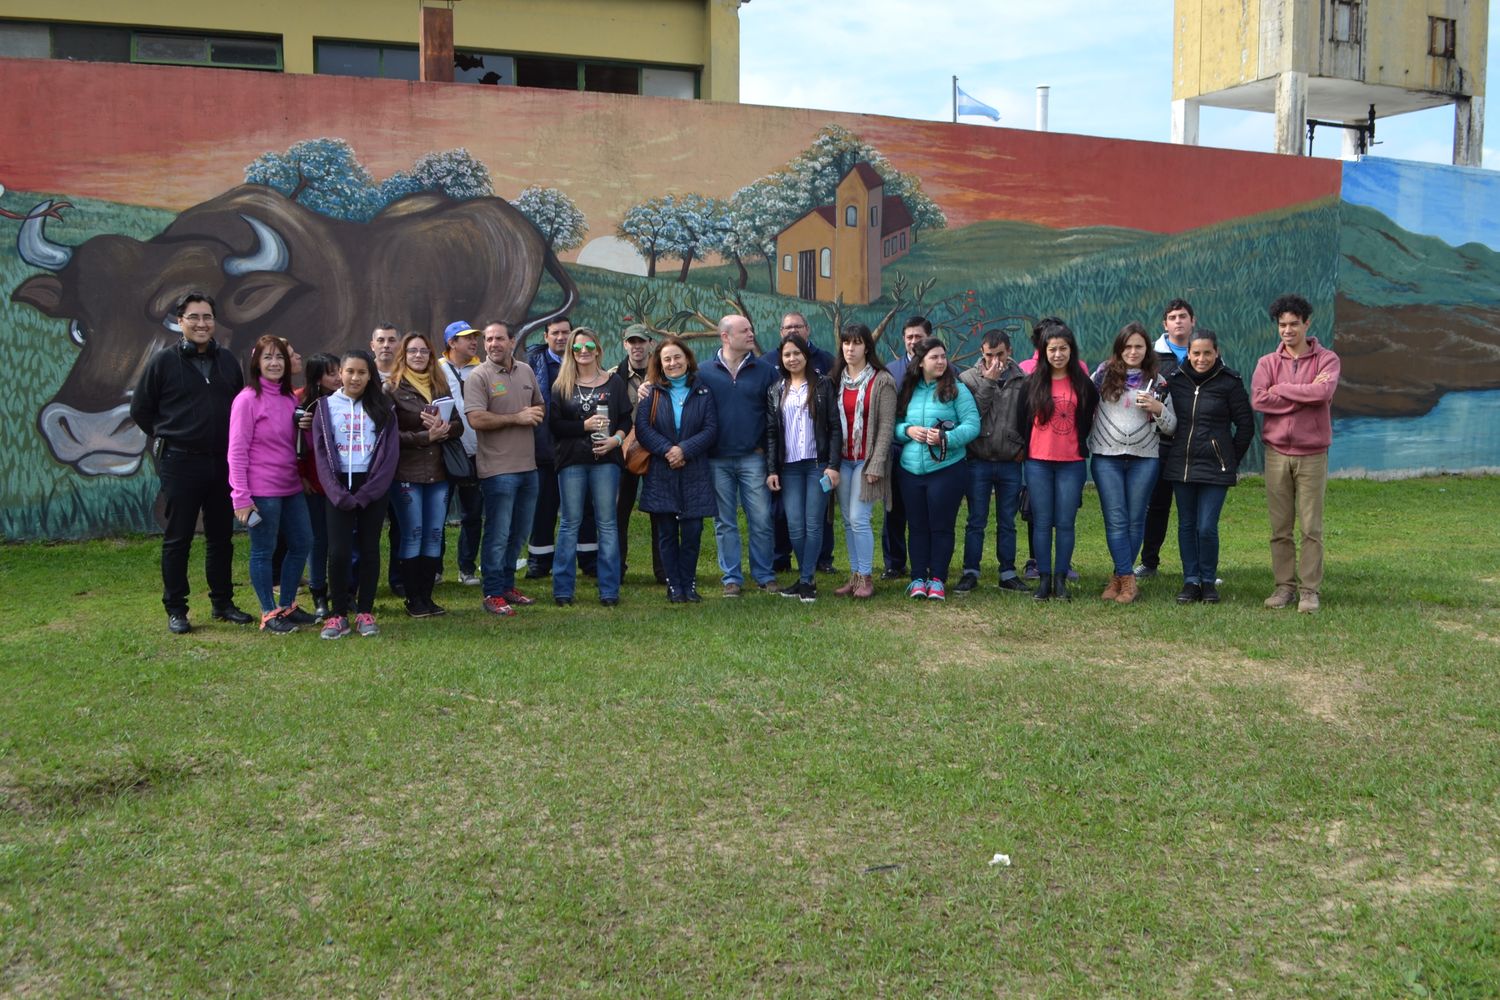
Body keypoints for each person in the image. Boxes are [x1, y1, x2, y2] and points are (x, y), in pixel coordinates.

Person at [128, 291, 252, 634]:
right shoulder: (163, 362)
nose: (201, 323)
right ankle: (177, 609)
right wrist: (170, 433)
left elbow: (239, 409)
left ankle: (222, 603)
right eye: (194, 317)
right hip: (180, 463)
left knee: (221, 537)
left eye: (207, 317)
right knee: (178, 538)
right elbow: (141, 409)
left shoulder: (227, 361)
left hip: (220, 463)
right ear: (180, 322)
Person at [1252, 294, 1340, 614]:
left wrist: (1283, 390)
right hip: (1276, 452)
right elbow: (1260, 401)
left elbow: (1324, 392)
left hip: (1313, 454)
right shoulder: (1267, 363)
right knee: (1280, 528)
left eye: (1293, 324)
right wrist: (1304, 395)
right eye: (1282, 325)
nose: (1287, 330)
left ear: (1307, 323)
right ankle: (1284, 587)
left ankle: (1309, 591)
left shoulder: (1327, 360)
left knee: (1311, 527)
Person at [228, 335, 314, 633]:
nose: (275, 363)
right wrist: (241, 497)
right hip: (261, 490)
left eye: (280, 357)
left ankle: (288, 604)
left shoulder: (289, 397)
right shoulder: (247, 400)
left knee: (302, 542)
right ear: (257, 363)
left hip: (290, 485)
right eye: (268, 358)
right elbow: (237, 451)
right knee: (263, 550)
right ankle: (268, 611)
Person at [311, 350, 398, 639]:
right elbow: (321, 453)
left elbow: (389, 456)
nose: (355, 377)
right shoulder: (324, 407)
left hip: (371, 486)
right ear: (340, 374)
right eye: (349, 371)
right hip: (338, 488)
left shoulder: (384, 407)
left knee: (369, 548)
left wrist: (368, 492)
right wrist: (336, 493)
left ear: (370, 375)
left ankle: (365, 611)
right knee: (338, 552)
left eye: (361, 372)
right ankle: (338, 615)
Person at [1162, 330, 1254, 604]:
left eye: (1207, 353)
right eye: (1196, 353)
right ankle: (1190, 581)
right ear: (1188, 354)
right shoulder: (1174, 381)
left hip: (1216, 468)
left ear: (1217, 353)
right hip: (1182, 465)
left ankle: (1208, 581)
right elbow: (1164, 418)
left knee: (1206, 526)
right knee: (1187, 525)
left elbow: (1246, 425)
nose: (1201, 359)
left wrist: (1229, 458)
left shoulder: (1230, 381)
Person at [1089, 322, 1176, 604]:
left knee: (1135, 520)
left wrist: (1158, 409)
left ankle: (1120, 578)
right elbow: (1083, 406)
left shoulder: (1159, 382)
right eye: (1127, 346)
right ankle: (1128, 579)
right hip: (1107, 457)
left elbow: (1171, 426)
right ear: (1119, 349)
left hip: (1145, 459)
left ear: (1147, 349)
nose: (1133, 351)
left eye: (1139, 346)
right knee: (1116, 519)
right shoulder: (1102, 375)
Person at [463, 321, 544, 617]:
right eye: (488, 339)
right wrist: (517, 418)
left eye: (499, 338)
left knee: (519, 532)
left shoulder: (526, 371)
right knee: (497, 533)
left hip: (528, 467)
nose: (493, 344)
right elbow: (476, 419)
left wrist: (534, 413)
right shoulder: (478, 376)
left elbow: (539, 405)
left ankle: (508, 585)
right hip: (498, 470)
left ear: (512, 341)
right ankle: (493, 592)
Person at [698, 313, 780, 597]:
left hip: (752, 458)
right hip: (716, 459)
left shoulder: (766, 370)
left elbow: (775, 414)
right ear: (725, 336)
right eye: (744, 330)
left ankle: (764, 575)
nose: (751, 334)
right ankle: (731, 578)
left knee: (760, 518)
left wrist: (767, 454)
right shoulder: (703, 371)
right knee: (725, 522)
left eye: (751, 329)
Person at [548, 327, 630, 606]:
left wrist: (616, 441)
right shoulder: (561, 385)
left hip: (606, 461)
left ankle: (609, 590)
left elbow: (627, 420)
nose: (583, 352)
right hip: (571, 461)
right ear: (571, 352)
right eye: (577, 348)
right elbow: (555, 426)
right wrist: (583, 426)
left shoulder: (614, 382)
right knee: (570, 523)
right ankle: (562, 590)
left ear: (598, 349)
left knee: (607, 524)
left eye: (588, 347)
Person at [893, 336, 980, 601]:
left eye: (943, 356)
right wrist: (907, 430)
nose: (941, 361)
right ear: (920, 363)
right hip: (910, 471)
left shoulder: (957, 389)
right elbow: (894, 424)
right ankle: (918, 579)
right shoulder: (908, 389)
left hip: (947, 470)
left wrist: (946, 438)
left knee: (941, 527)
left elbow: (972, 425)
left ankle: (938, 580)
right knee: (917, 526)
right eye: (935, 357)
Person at [1017, 322, 1099, 601]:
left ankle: (1061, 579)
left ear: (1071, 351)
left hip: (1071, 463)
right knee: (1041, 522)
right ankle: (1044, 580)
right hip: (1038, 462)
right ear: (1044, 351)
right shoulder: (1031, 383)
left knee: (1065, 523)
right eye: (1052, 349)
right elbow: (1021, 421)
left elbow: (1087, 419)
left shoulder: (1083, 384)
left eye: (1064, 348)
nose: (1058, 354)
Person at [635, 336, 719, 603]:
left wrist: (684, 450)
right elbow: (643, 429)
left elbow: (710, 429)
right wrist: (668, 450)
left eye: (677, 357)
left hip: (694, 470)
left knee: (693, 532)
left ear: (687, 359)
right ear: (660, 363)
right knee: (667, 532)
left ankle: (689, 584)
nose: (673, 363)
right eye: (667, 359)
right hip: (662, 471)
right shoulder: (652, 392)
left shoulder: (703, 391)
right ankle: (674, 586)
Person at [387, 332, 462, 617]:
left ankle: (427, 597)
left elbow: (459, 426)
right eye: (412, 351)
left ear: (432, 356)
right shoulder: (391, 388)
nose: (418, 356)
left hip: (439, 471)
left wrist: (445, 429)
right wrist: (424, 436)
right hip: (407, 472)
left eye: (424, 351)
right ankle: (412, 599)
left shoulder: (440, 385)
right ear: (403, 356)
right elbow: (389, 436)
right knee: (413, 532)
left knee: (434, 533)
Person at [765, 333, 841, 602]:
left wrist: (833, 465)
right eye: (787, 354)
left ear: (806, 356)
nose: (792, 358)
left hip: (817, 466)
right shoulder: (776, 390)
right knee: (795, 525)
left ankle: (807, 580)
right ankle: (806, 575)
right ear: (781, 359)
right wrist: (772, 469)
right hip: (789, 468)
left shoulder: (822, 385)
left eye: (796, 353)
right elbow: (772, 433)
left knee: (813, 524)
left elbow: (834, 428)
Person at [956, 327, 1030, 594]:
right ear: (981, 353)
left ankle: (1007, 572)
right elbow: (971, 416)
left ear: (1009, 351)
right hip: (979, 459)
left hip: (1011, 461)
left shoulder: (1024, 379)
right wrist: (988, 381)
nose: (995, 361)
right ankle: (970, 572)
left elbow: (1029, 418)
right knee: (976, 519)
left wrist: (1023, 446)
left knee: (1007, 520)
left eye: (1000, 354)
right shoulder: (968, 379)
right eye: (989, 355)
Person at [526, 316, 598, 579]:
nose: (560, 337)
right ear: (545, 336)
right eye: (554, 333)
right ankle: (539, 561)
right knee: (544, 506)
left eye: (565, 333)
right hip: (544, 449)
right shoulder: (533, 367)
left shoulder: (584, 364)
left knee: (584, 507)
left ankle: (589, 560)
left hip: (580, 448)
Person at [829, 323, 898, 599]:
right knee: (847, 519)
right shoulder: (836, 379)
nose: (850, 348)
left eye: (856, 343)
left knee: (859, 518)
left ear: (867, 347)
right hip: (842, 460)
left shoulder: (882, 380)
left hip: (867, 462)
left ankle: (866, 577)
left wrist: (877, 464)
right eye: (846, 343)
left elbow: (886, 426)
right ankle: (855, 576)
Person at [1136, 299, 1196, 578]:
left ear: (1192, 321)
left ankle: (1198, 568)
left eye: (1183, 316)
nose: (1178, 321)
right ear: (1165, 324)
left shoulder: (1205, 353)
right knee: (1156, 505)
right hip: (1159, 443)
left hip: (1195, 443)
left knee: (1193, 509)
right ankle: (1149, 562)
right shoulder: (1153, 358)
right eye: (1173, 317)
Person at [613, 324, 665, 584]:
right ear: (624, 344)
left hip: (656, 450)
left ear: (650, 344)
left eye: (641, 341)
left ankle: (663, 571)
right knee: (619, 511)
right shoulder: (614, 376)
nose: (637, 346)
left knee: (659, 510)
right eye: (631, 341)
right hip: (624, 452)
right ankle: (616, 569)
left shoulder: (663, 374)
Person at [881, 316, 930, 580]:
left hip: (930, 453)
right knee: (894, 510)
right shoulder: (890, 371)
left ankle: (928, 562)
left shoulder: (945, 370)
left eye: (918, 336)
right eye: (909, 337)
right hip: (898, 449)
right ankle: (894, 563)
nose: (913, 341)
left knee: (925, 512)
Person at [437, 320, 484, 587]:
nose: (473, 341)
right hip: (446, 450)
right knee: (438, 514)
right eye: (466, 337)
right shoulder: (437, 369)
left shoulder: (481, 369)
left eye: (474, 337)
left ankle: (467, 568)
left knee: (473, 513)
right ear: (451, 343)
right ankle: (435, 569)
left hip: (477, 451)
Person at [298, 352, 341, 621]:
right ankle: (318, 592)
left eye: (339, 371)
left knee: (341, 540)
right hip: (315, 481)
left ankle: (344, 590)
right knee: (318, 539)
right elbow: (298, 446)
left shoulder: (346, 400)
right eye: (331, 373)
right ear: (317, 377)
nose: (338, 377)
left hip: (341, 482)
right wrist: (302, 477)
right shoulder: (304, 403)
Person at [370, 323, 405, 596]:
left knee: (401, 526)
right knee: (366, 528)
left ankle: (399, 579)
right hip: (368, 466)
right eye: (381, 340)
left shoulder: (408, 375)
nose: (386, 345)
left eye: (392, 340)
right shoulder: (361, 375)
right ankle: (360, 580)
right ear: (372, 345)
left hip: (403, 463)